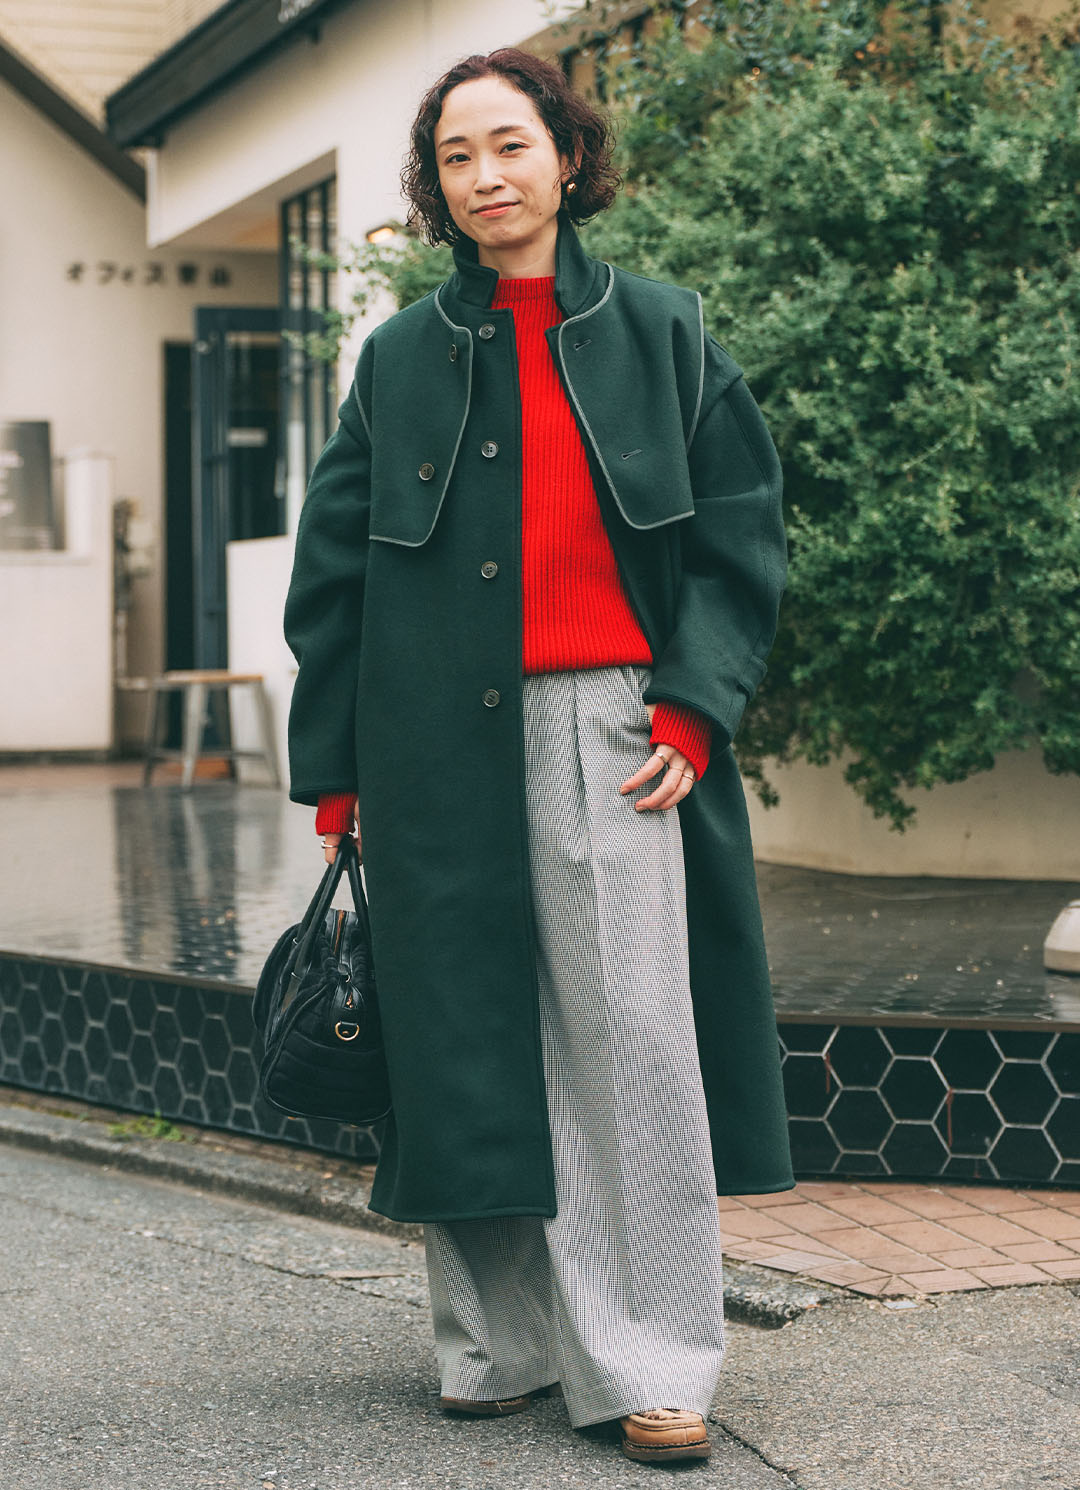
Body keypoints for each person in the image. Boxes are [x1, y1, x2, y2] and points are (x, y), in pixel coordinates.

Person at [283, 46, 794, 1465]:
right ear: (435, 188)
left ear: (567, 158)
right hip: (428, 742)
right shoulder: (396, 359)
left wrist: (691, 707)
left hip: (614, 728)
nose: (486, 175)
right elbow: (332, 578)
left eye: (510, 145)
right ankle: (495, 1345)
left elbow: (741, 532)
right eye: (456, 156)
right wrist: (339, 772)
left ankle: (657, 1359)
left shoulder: (665, 332)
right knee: (462, 1033)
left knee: (635, 1043)